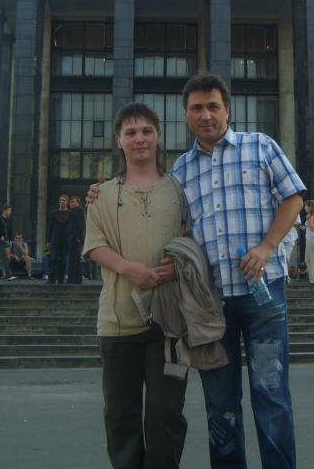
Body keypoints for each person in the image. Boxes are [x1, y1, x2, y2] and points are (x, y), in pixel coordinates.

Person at [88, 72, 304, 468]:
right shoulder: (182, 172)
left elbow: (294, 199)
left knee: (271, 396)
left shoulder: (260, 146)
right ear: (186, 116)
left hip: (263, 295)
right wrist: (99, 193)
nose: (206, 115)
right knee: (220, 405)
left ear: (227, 110)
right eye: (197, 108)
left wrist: (267, 247)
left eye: (213, 106)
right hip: (210, 304)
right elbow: (176, 227)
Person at [86, 102, 188, 468]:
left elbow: (193, 239)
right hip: (118, 324)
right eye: (130, 132)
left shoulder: (179, 190)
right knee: (121, 417)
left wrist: (180, 262)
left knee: (166, 415)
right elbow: (94, 245)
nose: (139, 138)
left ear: (158, 136)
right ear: (118, 141)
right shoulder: (102, 195)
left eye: (146, 131)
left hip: (170, 325)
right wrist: (129, 269)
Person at [46, 194, 70, 285]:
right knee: (53, 259)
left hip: (66, 241)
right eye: (60, 200)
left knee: (63, 260)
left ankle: (61, 279)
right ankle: (51, 279)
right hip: (55, 240)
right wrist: (48, 240)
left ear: (67, 202)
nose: (61, 202)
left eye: (63, 200)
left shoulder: (70, 214)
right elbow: (50, 227)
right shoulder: (54, 213)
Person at [66, 195, 86, 284]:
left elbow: (82, 225)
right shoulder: (72, 212)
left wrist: (79, 238)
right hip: (72, 238)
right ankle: (75, 279)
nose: (71, 203)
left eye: (73, 202)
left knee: (75, 260)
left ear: (78, 202)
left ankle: (74, 279)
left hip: (76, 239)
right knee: (74, 260)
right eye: (70, 202)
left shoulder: (80, 211)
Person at [300, 199, 314, 284]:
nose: (304, 208)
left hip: (313, 239)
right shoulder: (311, 216)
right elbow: (310, 228)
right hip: (310, 238)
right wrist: (304, 228)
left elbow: (313, 227)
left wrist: (308, 220)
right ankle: (312, 278)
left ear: (310, 206)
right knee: (307, 259)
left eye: (306, 206)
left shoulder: (313, 216)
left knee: (312, 259)